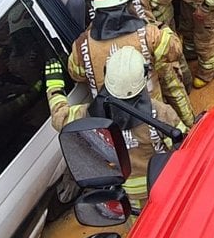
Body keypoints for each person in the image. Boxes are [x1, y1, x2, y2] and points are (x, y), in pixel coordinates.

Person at [45, 47, 186, 210]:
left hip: (126, 197)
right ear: (144, 75)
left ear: (106, 74)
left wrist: (54, 86)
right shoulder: (161, 113)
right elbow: (183, 148)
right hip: (163, 187)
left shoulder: (87, 115)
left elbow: (59, 118)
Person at [66, 0, 193, 126]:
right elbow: (175, 50)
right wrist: (162, 27)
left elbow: (77, 74)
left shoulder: (81, 45)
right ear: (125, 2)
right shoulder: (148, 33)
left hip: (113, 119)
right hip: (152, 114)